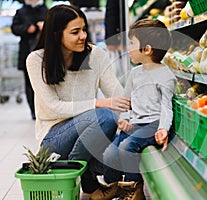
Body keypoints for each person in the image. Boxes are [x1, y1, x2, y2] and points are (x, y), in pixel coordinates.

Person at [26, 4, 131, 195]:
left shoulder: (96, 55)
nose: (83, 36)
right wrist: (98, 103)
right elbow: (53, 107)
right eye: (75, 32)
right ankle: (81, 176)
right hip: (54, 140)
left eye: (84, 30)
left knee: (124, 153)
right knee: (105, 117)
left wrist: (128, 116)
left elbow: (117, 94)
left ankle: (86, 177)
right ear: (57, 34)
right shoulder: (36, 60)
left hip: (88, 135)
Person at [90, 18, 177, 200]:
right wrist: (126, 117)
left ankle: (134, 189)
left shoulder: (166, 76)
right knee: (111, 153)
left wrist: (163, 129)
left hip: (152, 124)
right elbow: (127, 101)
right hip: (135, 123)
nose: (128, 47)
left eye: (132, 43)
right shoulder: (135, 73)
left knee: (127, 147)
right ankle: (113, 187)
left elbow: (166, 106)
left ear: (147, 50)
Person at [11, 0, 48, 120]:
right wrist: (27, 29)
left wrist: (45, 26)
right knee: (29, 83)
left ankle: (46, 109)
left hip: (45, 52)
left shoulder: (45, 10)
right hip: (27, 50)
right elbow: (15, 28)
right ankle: (33, 110)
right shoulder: (21, 11)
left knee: (46, 81)